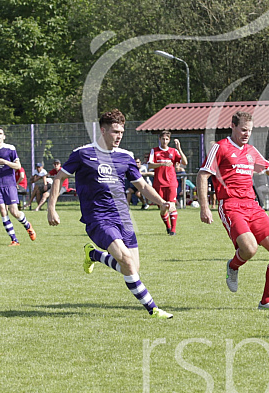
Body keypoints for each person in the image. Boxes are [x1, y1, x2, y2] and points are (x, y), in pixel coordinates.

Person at [47, 109, 174, 319]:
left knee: (132, 267)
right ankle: (153, 309)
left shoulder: (125, 157)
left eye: (121, 132)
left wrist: (161, 202)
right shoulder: (83, 153)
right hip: (98, 217)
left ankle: (94, 255)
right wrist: (51, 208)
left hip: (123, 217)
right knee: (126, 260)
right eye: (115, 131)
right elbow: (59, 177)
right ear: (103, 130)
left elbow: (141, 185)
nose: (119, 136)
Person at [197, 111, 269, 311]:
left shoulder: (251, 151)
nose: (246, 134)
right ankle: (233, 266)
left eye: (249, 131)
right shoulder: (220, 148)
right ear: (232, 126)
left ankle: (266, 302)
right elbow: (202, 175)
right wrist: (204, 207)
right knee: (250, 249)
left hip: (252, 205)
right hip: (231, 205)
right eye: (243, 130)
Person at [0, 127, 36, 246]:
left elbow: (18, 166)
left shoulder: (10, 149)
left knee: (14, 212)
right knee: (2, 210)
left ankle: (27, 225)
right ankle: (14, 239)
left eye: (0, 133)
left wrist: (5, 162)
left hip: (9, 184)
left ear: (4, 136)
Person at [148, 132, 187, 235]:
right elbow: (150, 165)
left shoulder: (173, 151)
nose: (164, 141)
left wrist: (179, 148)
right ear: (159, 139)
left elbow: (184, 162)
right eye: (163, 139)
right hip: (158, 183)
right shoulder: (154, 151)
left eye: (166, 139)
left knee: (171, 205)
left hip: (171, 183)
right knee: (163, 207)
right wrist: (162, 163)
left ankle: (173, 230)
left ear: (169, 140)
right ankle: (168, 227)